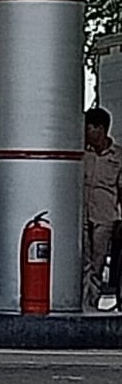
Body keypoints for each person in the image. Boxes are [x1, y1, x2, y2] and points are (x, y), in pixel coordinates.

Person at [82, 107, 122, 312]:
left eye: (90, 128)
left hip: (104, 216)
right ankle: (83, 301)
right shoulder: (82, 153)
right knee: (83, 260)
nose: (86, 133)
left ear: (101, 129)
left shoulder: (118, 156)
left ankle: (92, 301)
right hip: (82, 214)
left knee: (97, 262)